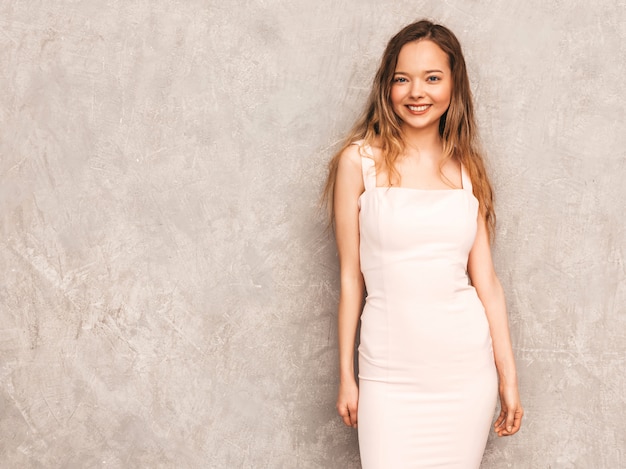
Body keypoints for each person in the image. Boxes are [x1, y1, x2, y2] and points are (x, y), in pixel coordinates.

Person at [322, 20, 523, 468]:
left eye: (433, 78)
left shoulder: (466, 170)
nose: (417, 91)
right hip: (389, 377)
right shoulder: (358, 163)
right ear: (386, 86)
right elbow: (350, 278)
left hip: (466, 375)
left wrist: (508, 379)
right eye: (402, 78)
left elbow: (486, 283)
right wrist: (346, 377)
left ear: (454, 86)